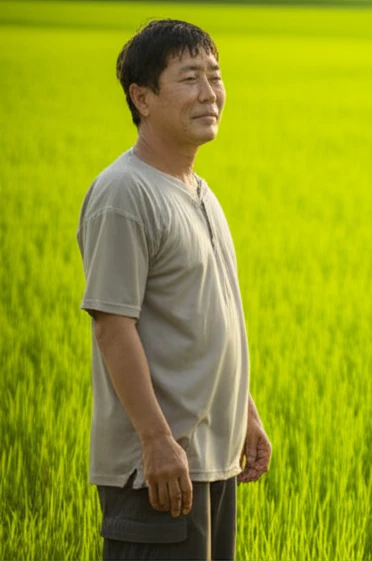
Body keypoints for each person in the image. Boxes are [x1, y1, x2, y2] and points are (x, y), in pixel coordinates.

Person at [76, 19, 271, 560]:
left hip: (211, 460)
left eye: (215, 76)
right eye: (189, 78)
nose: (209, 93)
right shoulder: (124, 194)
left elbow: (204, 319)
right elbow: (113, 327)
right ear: (141, 98)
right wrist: (156, 439)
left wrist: (244, 411)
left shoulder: (199, 191)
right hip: (157, 471)